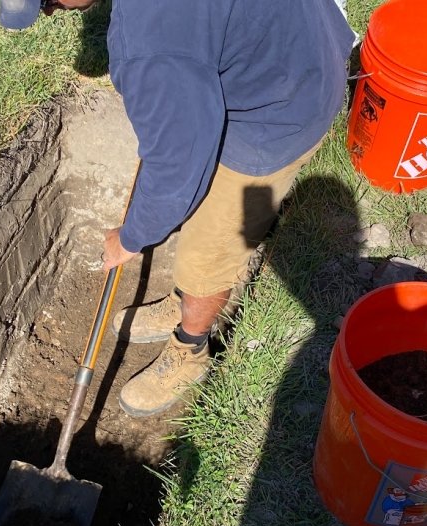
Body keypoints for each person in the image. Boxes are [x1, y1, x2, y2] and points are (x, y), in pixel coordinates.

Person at [19, 0, 354, 417]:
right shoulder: (161, 37)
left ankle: (190, 349)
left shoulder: (149, 43)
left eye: (48, 1)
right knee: (194, 211)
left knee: (205, 257)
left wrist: (130, 238)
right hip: (298, 46)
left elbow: (178, 165)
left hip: (281, 108)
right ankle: (182, 302)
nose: (50, 12)